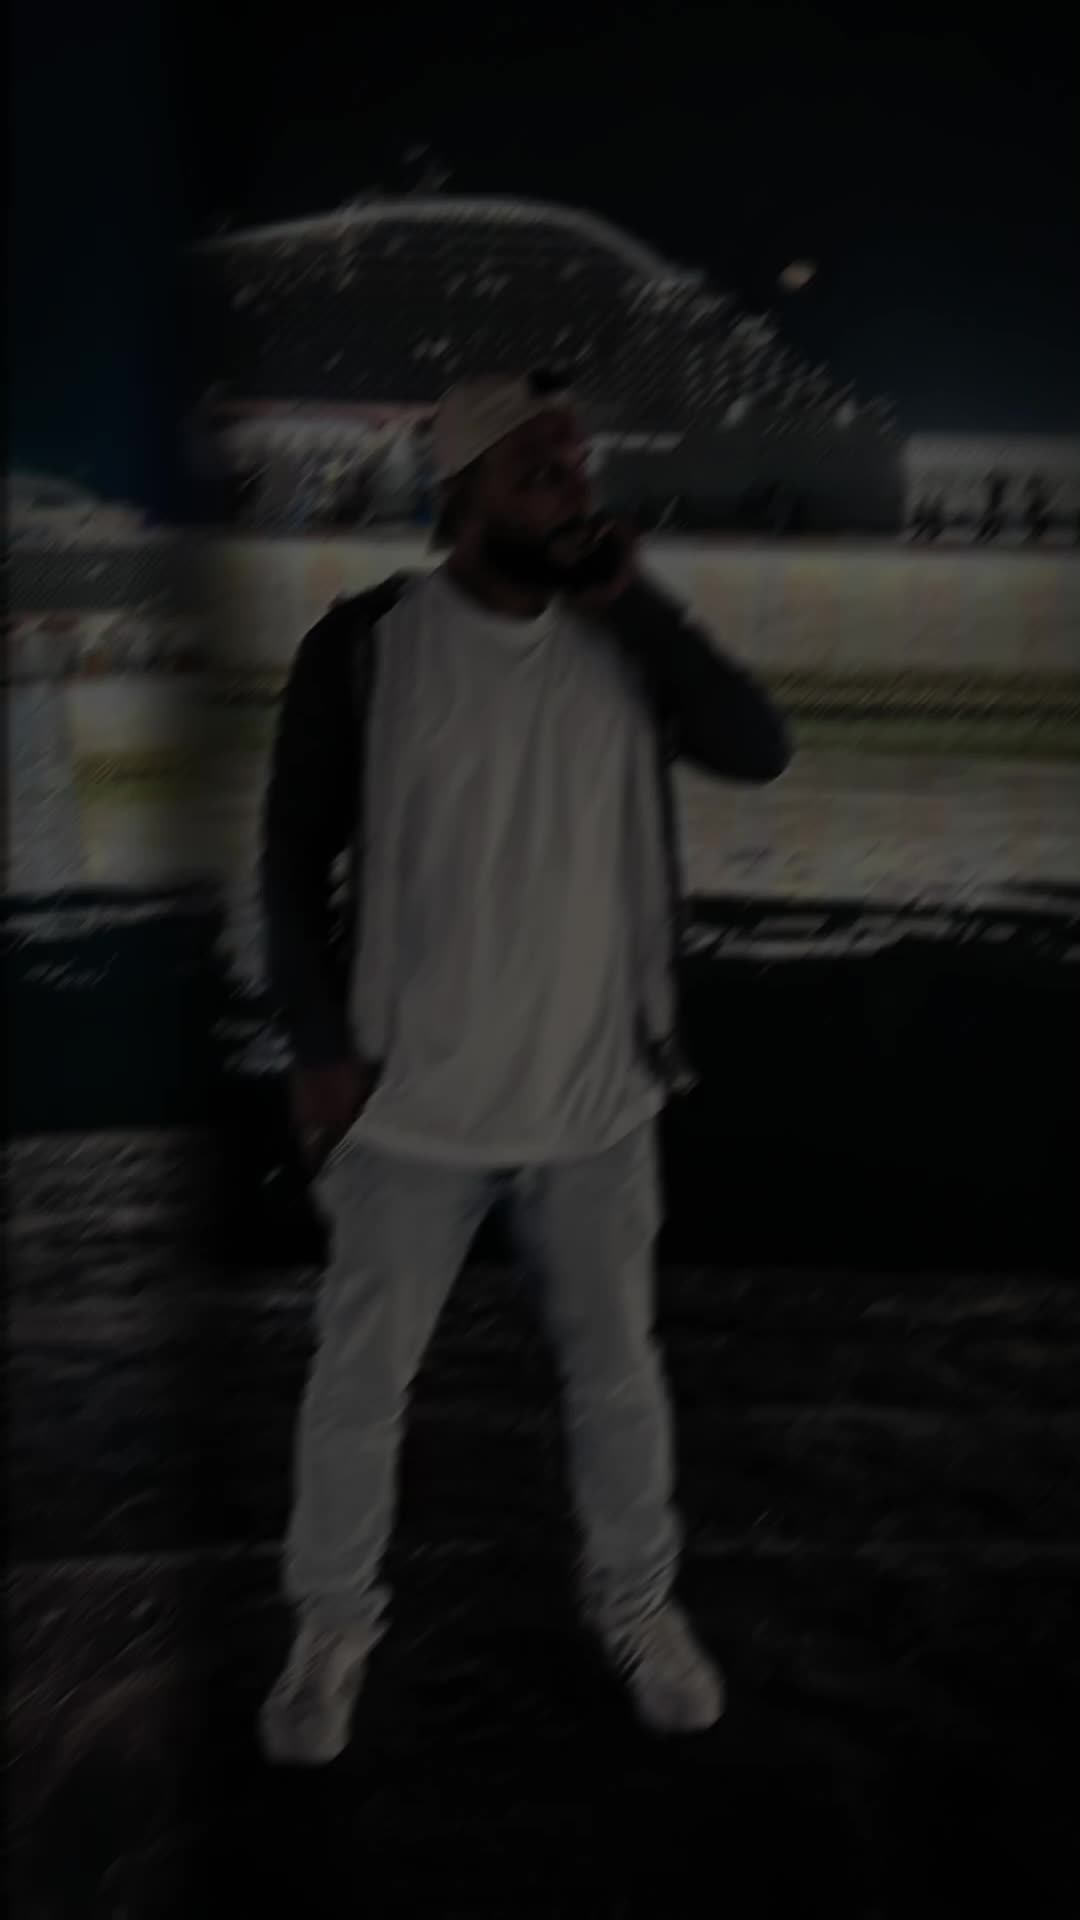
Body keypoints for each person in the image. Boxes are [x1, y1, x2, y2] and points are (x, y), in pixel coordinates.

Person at [258, 368, 791, 1766]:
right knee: (359, 1383)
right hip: (409, 1112)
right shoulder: (369, 646)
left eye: (579, 469)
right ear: (463, 496)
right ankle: (331, 1628)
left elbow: (759, 748)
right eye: (539, 472)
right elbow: (289, 857)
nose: (573, 492)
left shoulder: (623, 641)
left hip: (594, 1108)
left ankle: (637, 1604)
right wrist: (319, 1051)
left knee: (617, 1377)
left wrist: (638, 602)